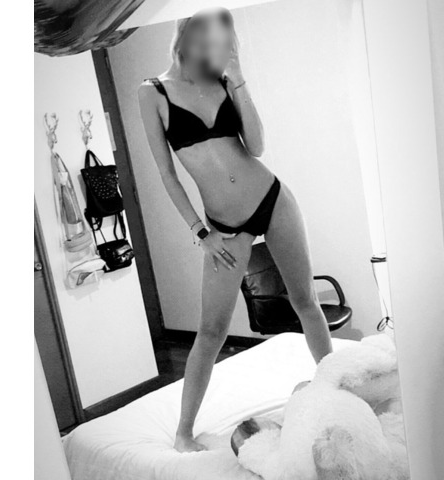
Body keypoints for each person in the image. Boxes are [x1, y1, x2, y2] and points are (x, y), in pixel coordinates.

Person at [138, 7, 333, 453]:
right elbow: (167, 174)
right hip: (223, 227)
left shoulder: (225, 81)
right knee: (211, 331)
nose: (212, 50)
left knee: (305, 301)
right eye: (206, 39)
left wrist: (239, 78)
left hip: (272, 199)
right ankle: (183, 432)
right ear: (185, 34)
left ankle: (336, 392)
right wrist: (200, 233)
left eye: (220, 43)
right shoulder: (152, 93)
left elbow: (258, 146)